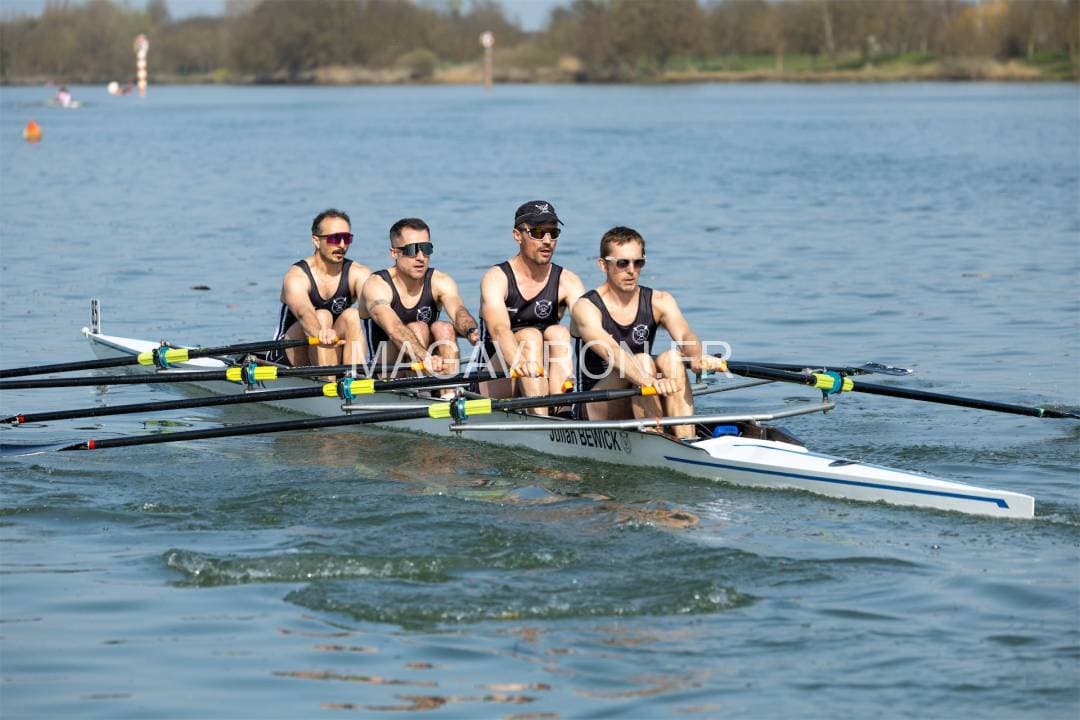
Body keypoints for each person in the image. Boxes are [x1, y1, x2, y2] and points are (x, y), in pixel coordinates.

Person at [570, 226, 726, 440]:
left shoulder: (660, 301)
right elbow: (611, 351)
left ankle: (687, 439)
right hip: (593, 406)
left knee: (672, 358)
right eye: (622, 263)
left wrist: (696, 357)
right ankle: (656, 438)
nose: (631, 270)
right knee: (642, 361)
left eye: (638, 262)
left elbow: (685, 336)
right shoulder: (586, 307)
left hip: (642, 392)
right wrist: (649, 381)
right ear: (603, 265)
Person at [477, 200, 585, 411]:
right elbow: (499, 329)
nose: (547, 241)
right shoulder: (497, 278)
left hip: (542, 374)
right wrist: (519, 362)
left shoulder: (568, 281)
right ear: (517, 235)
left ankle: (562, 412)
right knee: (530, 336)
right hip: (495, 378)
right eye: (537, 233)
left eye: (553, 233)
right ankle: (543, 419)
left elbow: (589, 327)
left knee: (559, 333)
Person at [361, 218, 480, 376]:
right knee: (419, 328)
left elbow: (459, 312)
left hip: (427, 362)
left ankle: (449, 386)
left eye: (426, 249)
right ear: (394, 253)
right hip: (382, 370)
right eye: (412, 250)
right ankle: (425, 386)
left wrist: (471, 330)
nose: (421, 257)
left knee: (444, 328)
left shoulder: (440, 281)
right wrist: (426, 357)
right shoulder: (377, 285)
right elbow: (394, 329)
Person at [267, 208, 370, 368]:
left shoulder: (358, 273)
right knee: (322, 316)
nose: (342, 245)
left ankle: (354, 377)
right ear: (316, 240)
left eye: (346, 238)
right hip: (289, 353)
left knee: (354, 316)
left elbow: (378, 308)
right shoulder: (296, 276)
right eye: (335, 238)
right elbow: (303, 312)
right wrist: (320, 333)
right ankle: (328, 380)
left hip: (333, 346)